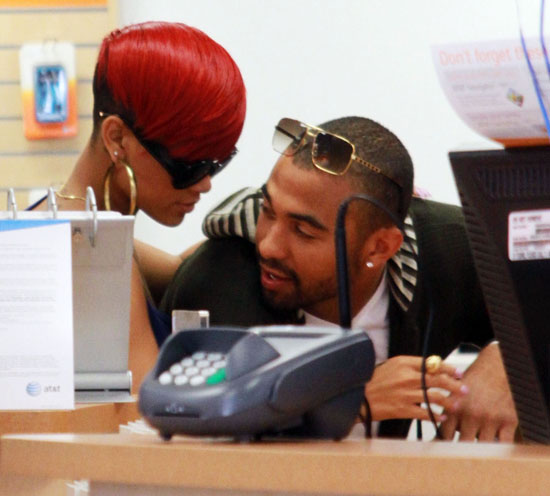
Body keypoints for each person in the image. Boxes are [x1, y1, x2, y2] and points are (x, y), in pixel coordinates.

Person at [160, 116, 518, 441]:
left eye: (303, 231)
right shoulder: (220, 278)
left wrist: (510, 358)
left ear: (379, 248)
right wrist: (355, 402)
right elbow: (197, 424)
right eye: (267, 211)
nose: (268, 245)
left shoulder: (450, 250)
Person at [28, 21, 246, 390]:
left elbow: (185, 269)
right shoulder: (84, 245)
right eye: (191, 165)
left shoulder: (86, 228)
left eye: (218, 162)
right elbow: (148, 410)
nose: (206, 183)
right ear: (118, 139)